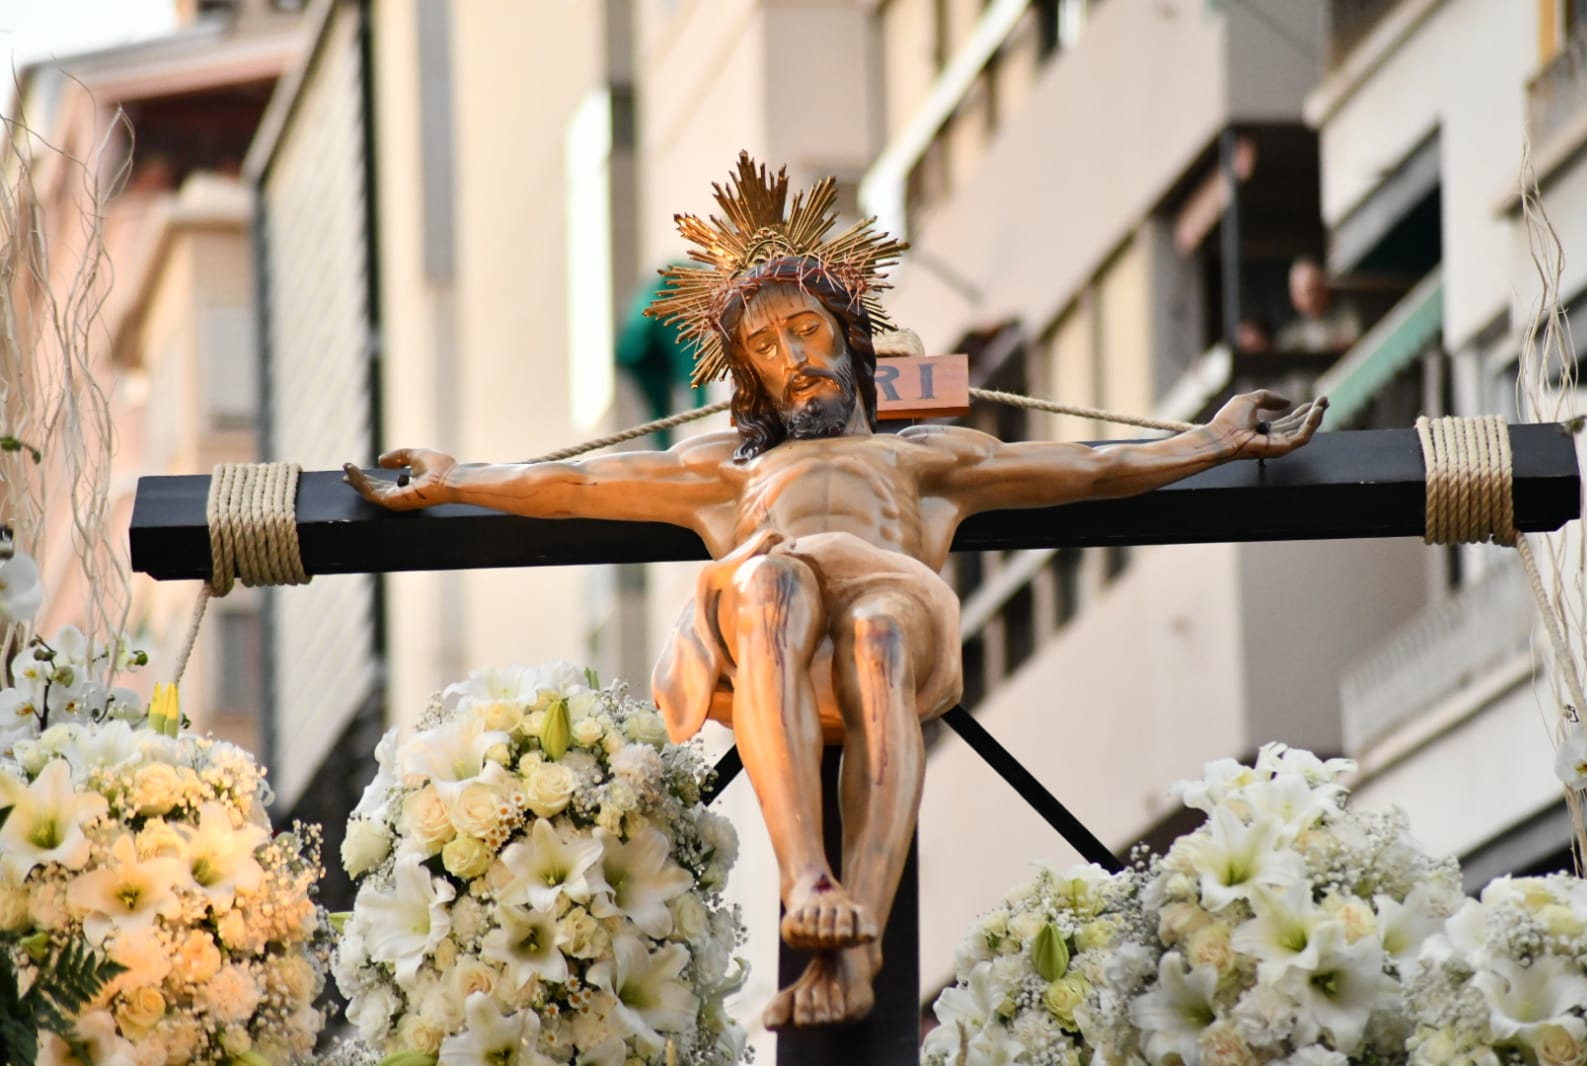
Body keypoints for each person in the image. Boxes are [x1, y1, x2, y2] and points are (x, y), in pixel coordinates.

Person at [345, 156, 1327, 1029]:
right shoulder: (725, 471)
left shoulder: (924, 457)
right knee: (770, 576)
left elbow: (1088, 468)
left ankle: (854, 926)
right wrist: (460, 477)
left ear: (849, 333)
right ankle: (809, 879)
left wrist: (1212, 439)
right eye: (765, 350)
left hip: (893, 602)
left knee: (878, 637)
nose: (792, 358)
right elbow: (574, 485)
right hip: (768, 611)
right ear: (748, 379)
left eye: (806, 330)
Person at [1276, 256, 1362, 353]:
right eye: (1301, 293)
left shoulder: (1347, 315)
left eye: (1314, 290)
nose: (1311, 299)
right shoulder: (1291, 337)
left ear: (1325, 289)